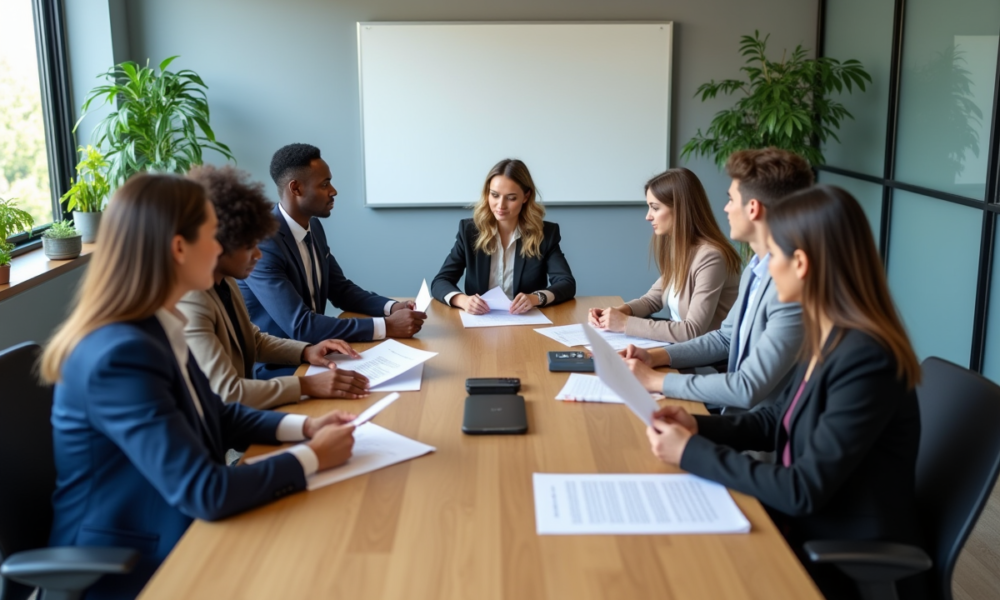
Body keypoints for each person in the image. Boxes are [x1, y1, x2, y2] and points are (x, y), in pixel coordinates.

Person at [40, 174, 358, 600]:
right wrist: (311, 458)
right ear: (178, 248)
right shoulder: (120, 355)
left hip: (182, 525)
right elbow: (204, 491)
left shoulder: (156, 325)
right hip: (134, 561)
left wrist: (302, 430)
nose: (220, 245)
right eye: (212, 234)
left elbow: (216, 412)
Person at [642, 185, 924, 599]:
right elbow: (779, 420)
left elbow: (802, 489)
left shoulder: (867, 360)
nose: (764, 270)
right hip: (806, 520)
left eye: (771, 255)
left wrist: (691, 453)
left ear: (802, 264)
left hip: (835, 550)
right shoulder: (829, 335)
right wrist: (697, 428)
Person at [621, 148, 814, 411]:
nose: (725, 208)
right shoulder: (755, 270)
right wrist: (653, 356)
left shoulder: (790, 290)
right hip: (735, 411)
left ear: (753, 209)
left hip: (759, 429)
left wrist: (657, 380)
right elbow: (725, 338)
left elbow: (747, 389)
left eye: (731, 199)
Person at [179, 165, 371, 410]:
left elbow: (254, 340)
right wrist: (307, 385)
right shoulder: (192, 301)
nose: (258, 254)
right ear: (217, 243)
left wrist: (307, 351)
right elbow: (227, 392)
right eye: (249, 245)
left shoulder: (225, 281)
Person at [239, 143, 425, 378]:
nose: (333, 191)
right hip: (282, 367)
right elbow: (301, 326)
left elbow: (340, 289)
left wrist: (390, 307)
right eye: (324, 184)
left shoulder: (313, 226)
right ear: (295, 188)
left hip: (320, 352)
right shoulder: (263, 243)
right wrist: (387, 326)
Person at [588, 168, 741, 342]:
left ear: (681, 209)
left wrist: (624, 323)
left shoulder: (711, 257)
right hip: (680, 348)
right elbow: (652, 300)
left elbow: (692, 331)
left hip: (707, 361)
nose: (648, 216)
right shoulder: (684, 249)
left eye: (655, 208)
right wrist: (617, 312)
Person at [431, 158, 576, 314]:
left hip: (526, 322)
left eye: (511, 198)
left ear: (525, 197)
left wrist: (535, 298)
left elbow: (566, 283)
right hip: (480, 323)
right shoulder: (469, 231)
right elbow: (440, 281)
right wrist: (464, 300)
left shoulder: (545, 233)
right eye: (494, 195)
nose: (501, 205)